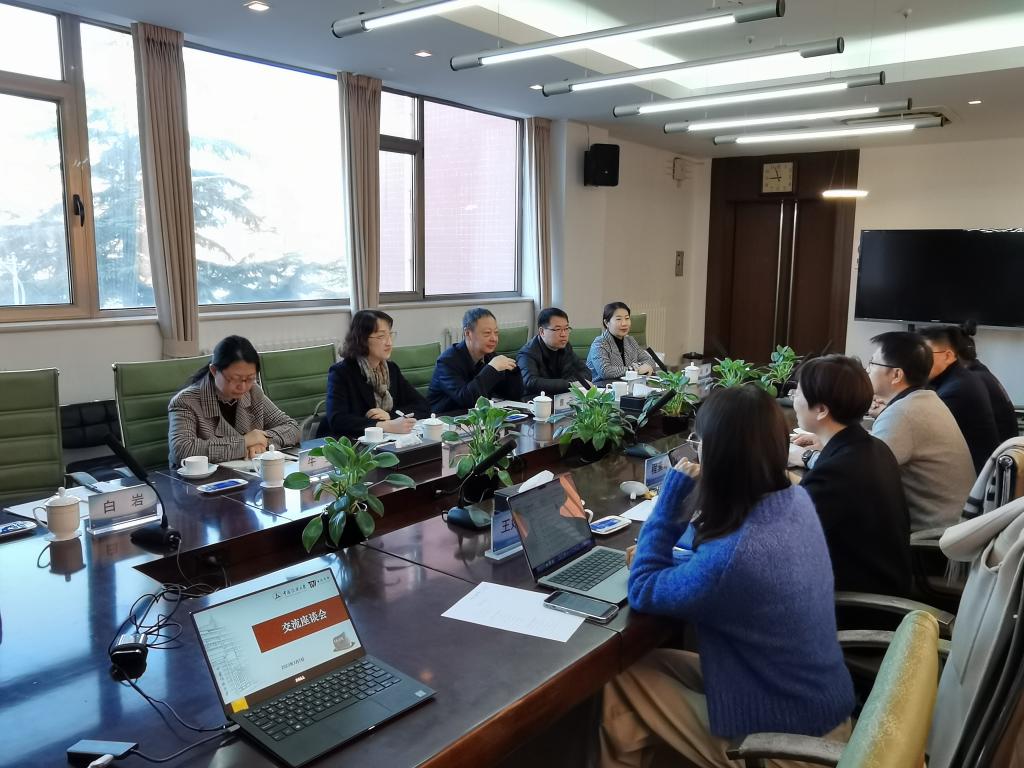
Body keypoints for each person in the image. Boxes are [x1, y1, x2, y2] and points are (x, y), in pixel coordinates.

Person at [602, 386, 854, 768]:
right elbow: (731, 569)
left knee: (622, 685)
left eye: (698, 443)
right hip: (814, 702)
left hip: (786, 743)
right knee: (646, 666)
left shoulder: (731, 559)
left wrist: (669, 505)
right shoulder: (794, 500)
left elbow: (643, 588)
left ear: (716, 454)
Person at [801, 332, 971, 532]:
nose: (867, 370)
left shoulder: (903, 414)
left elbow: (856, 472)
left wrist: (807, 456)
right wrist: (828, 441)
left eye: (873, 363)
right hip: (951, 527)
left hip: (932, 538)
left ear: (896, 375)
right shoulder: (924, 400)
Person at [792, 355, 911, 596]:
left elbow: (791, 537)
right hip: (885, 582)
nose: (793, 399)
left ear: (821, 410)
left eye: (798, 393)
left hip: (853, 599)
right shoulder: (872, 446)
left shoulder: (839, 471)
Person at [168, 335, 299, 466]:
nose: (243, 387)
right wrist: (244, 442)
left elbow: (292, 428)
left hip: (248, 471)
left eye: (250, 378)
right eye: (235, 379)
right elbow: (181, 450)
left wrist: (263, 441)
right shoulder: (186, 401)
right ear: (214, 371)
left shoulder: (253, 392)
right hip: (204, 476)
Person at [319, 310, 428, 440]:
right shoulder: (341, 372)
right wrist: (384, 425)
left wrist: (390, 416)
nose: (389, 342)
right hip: (347, 443)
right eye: (381, 336)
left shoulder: (391, 369)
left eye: (390, 335)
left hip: (385, 440)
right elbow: (338, 420)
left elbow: (423, 405)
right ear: (362, 339)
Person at [920, 325, 1000, 473]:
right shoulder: (961, 377)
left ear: (948, 356)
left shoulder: (956, 390)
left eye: (925, 355)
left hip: (974, 475)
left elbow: (923, 434)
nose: (919, 362)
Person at [427, 307, 523, 414]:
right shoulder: (447, 361)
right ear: (468, 333)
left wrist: (512, 372)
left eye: (496, 333)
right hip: (446, 419)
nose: (494, 339)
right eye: (487, 333)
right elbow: (467, 399)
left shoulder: (489, 356)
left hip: (477, 418)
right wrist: (491, 369)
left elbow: (512, 395)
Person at [953, 324, 1018, 442]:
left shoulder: (972, 380)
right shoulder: (981, 372)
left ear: (951, 354)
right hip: (1004, 445)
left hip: (996, 449)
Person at [517, 307, 592, 397]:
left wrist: (571, 383)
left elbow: (586, 372)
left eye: (566, 328)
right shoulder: (527, 353)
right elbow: (531, 382)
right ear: (542, 331)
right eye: (558, 329)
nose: (563, 334)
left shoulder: (565, 347)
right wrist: (571, 384)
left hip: (561, 398)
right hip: (536, 401)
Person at [586, 301, 657, 382]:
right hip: (603, 386)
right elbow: (605, 371)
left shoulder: (630, 341)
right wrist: (634, 369)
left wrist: (640, 367)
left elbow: (650, 361)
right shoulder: (599, 343)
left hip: (629, 385)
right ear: (606, 323)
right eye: (618, 319)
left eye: (627, 318)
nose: (624, 323)